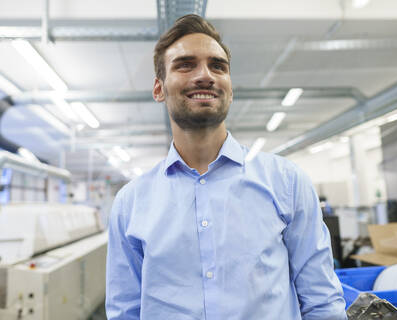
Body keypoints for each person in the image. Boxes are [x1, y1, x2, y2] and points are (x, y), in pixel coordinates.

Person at [106, 14, 347, 320]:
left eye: (217, 66)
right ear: (159, 88)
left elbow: (322, 301)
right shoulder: (131, 204)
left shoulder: (286, 183)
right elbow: (125, 311)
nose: (205, 75)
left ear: (230, 89)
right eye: (185, 64)